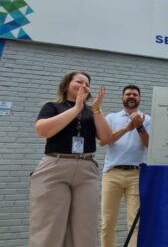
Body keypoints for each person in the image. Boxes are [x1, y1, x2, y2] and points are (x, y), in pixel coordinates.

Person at [31, 71, 112, 247]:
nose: (84, 85)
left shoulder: (93, 111)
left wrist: (97, 109)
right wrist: (76, 108)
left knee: (86, 227)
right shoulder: (52, 106)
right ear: (67, 84)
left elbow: (106, 138)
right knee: (50, 225)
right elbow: (43, 130)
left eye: (87, 84)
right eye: (79, 81)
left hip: (86, 168)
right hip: (55, 166)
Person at [99, 85, 151, 247]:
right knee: (107, 223)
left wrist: (139, 127)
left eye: (135, 94)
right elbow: (103, 141)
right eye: (128, 94)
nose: (131, 96)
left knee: (135, 223)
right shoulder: (112, 118)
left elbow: (151, 145)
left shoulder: (147, 119)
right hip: (111, 174)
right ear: (122, 98)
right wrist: (127, 128)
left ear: (139, 98)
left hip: (136, 174)